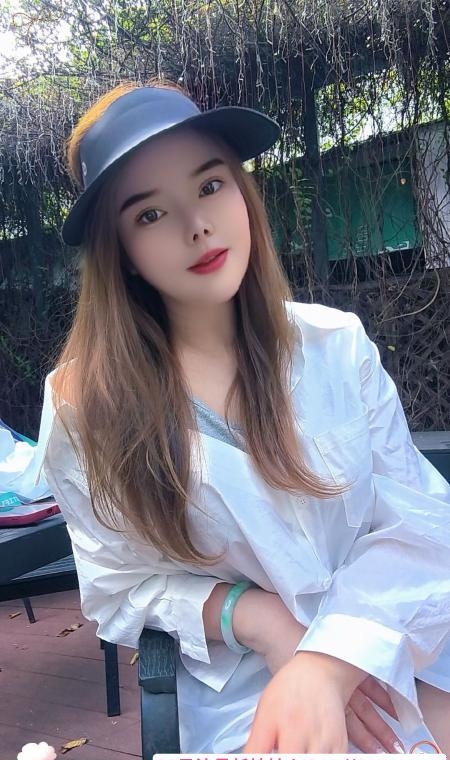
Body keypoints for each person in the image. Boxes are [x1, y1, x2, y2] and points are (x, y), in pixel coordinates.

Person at [36, 80, 450, 754]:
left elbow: (420, 522)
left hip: (392, 637)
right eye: (149, 214)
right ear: (122, 254)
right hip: (246, 687)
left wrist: (330, 659)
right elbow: (117, 588)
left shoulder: (334, 346)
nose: (197, 226)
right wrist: (257, 618)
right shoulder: (86, 406)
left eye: (210, 186)